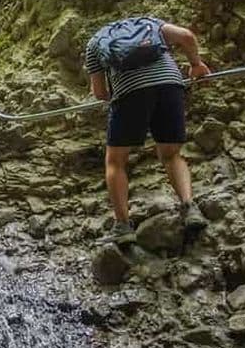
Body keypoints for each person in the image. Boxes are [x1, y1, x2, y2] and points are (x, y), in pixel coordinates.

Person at [85, 16, 212, 244]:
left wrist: (119, 98)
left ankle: (123, 226)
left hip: (130, 91)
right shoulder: (149, 23)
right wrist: (196, 65)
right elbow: (186, 36)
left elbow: (99, 92)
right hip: (169, 85)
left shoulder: (96, 42)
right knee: (172, 154)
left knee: (116, 161)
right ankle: (189, 207)